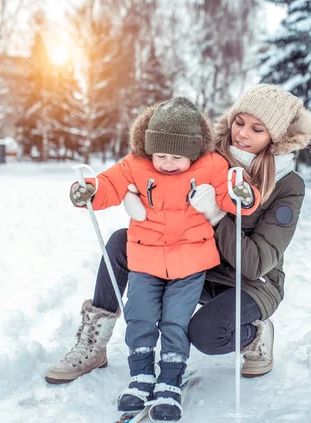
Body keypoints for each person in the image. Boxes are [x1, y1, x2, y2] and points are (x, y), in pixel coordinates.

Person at [45, 84, 311, 388]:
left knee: (207, 334)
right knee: (121, 242)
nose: (243, 135)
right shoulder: (207, 155)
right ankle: (93, 345)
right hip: (197, 263)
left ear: (275, 138)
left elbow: (256, 263)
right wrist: (134, 193)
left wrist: (215, 216)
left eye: (257, 129)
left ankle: (255, 336)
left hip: (249, 282)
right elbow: (148, 165)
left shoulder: (288, 184)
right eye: (239, 122)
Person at [59, 96, 260, 422]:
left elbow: (229, 192)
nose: (167, 163)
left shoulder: (211, 165)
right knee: (139, 316)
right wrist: (91, 191)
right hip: (145, 260)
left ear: (194, 152)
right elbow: (109, 183)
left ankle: (170, 378)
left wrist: (242, 195)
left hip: (190, 264)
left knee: (175, 321)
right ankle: (140, 375)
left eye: (177, 157)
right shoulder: (136, 164)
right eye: (160, 155)